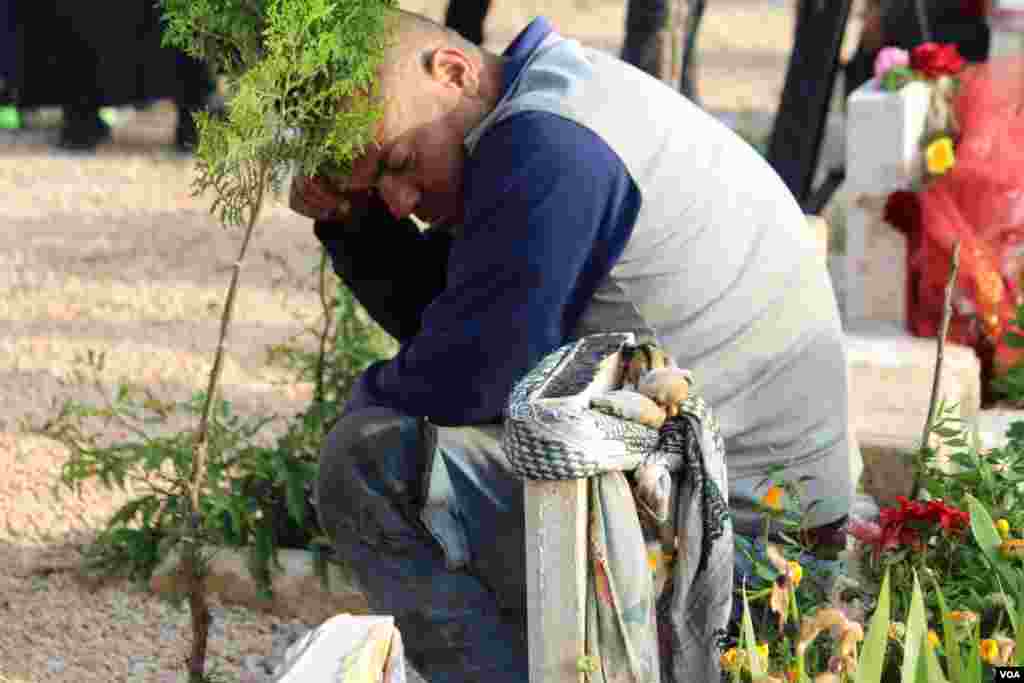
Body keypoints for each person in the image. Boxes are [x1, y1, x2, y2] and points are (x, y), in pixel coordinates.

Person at [291, 9, 857, 681]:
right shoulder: (547, 104)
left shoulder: (548, 145)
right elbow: (453, 321)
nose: (401, 200)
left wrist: (363, 405)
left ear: (453, 69)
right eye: (376, 189)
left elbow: (469, 380)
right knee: (398, 447)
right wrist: (351, 223)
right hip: (751, 511)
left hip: (755, 558)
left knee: (363, 464)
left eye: (401, 164)